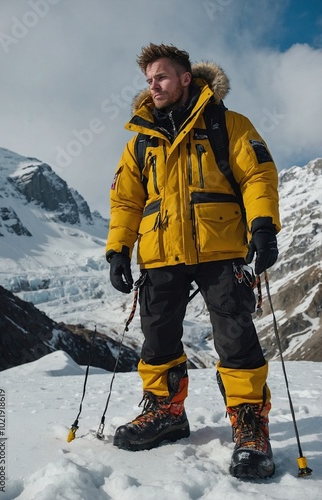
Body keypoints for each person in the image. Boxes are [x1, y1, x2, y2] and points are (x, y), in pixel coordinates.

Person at [105, 43, 280, 480]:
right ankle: (166, 412)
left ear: (186, 78)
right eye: (148, 80)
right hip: (161, 251)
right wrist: (117, 250)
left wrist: (263, 226)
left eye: (161, 77)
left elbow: (257, 175)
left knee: (235, 335)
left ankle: (249, 426)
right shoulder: (141, 141)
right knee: (157, 334)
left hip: (221, 248)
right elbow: (126, 200)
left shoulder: (228, 124)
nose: (153, 86)